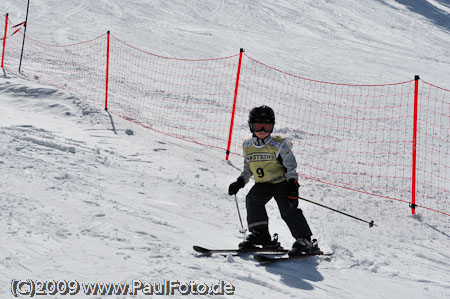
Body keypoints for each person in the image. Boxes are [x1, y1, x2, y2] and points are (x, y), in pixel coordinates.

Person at [228, 105, 318, 256]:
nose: (262, 130)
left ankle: (304, 240)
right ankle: (260, 235)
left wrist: (292, 185)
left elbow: (291, 167)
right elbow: (248, 167)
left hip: (281, 183)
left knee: (288, 208)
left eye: (267, 126)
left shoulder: (278, 145)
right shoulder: (248, 145)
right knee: (253, 199)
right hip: (263, 184)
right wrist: (240, 181)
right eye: (258, 125)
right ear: (251, 126)